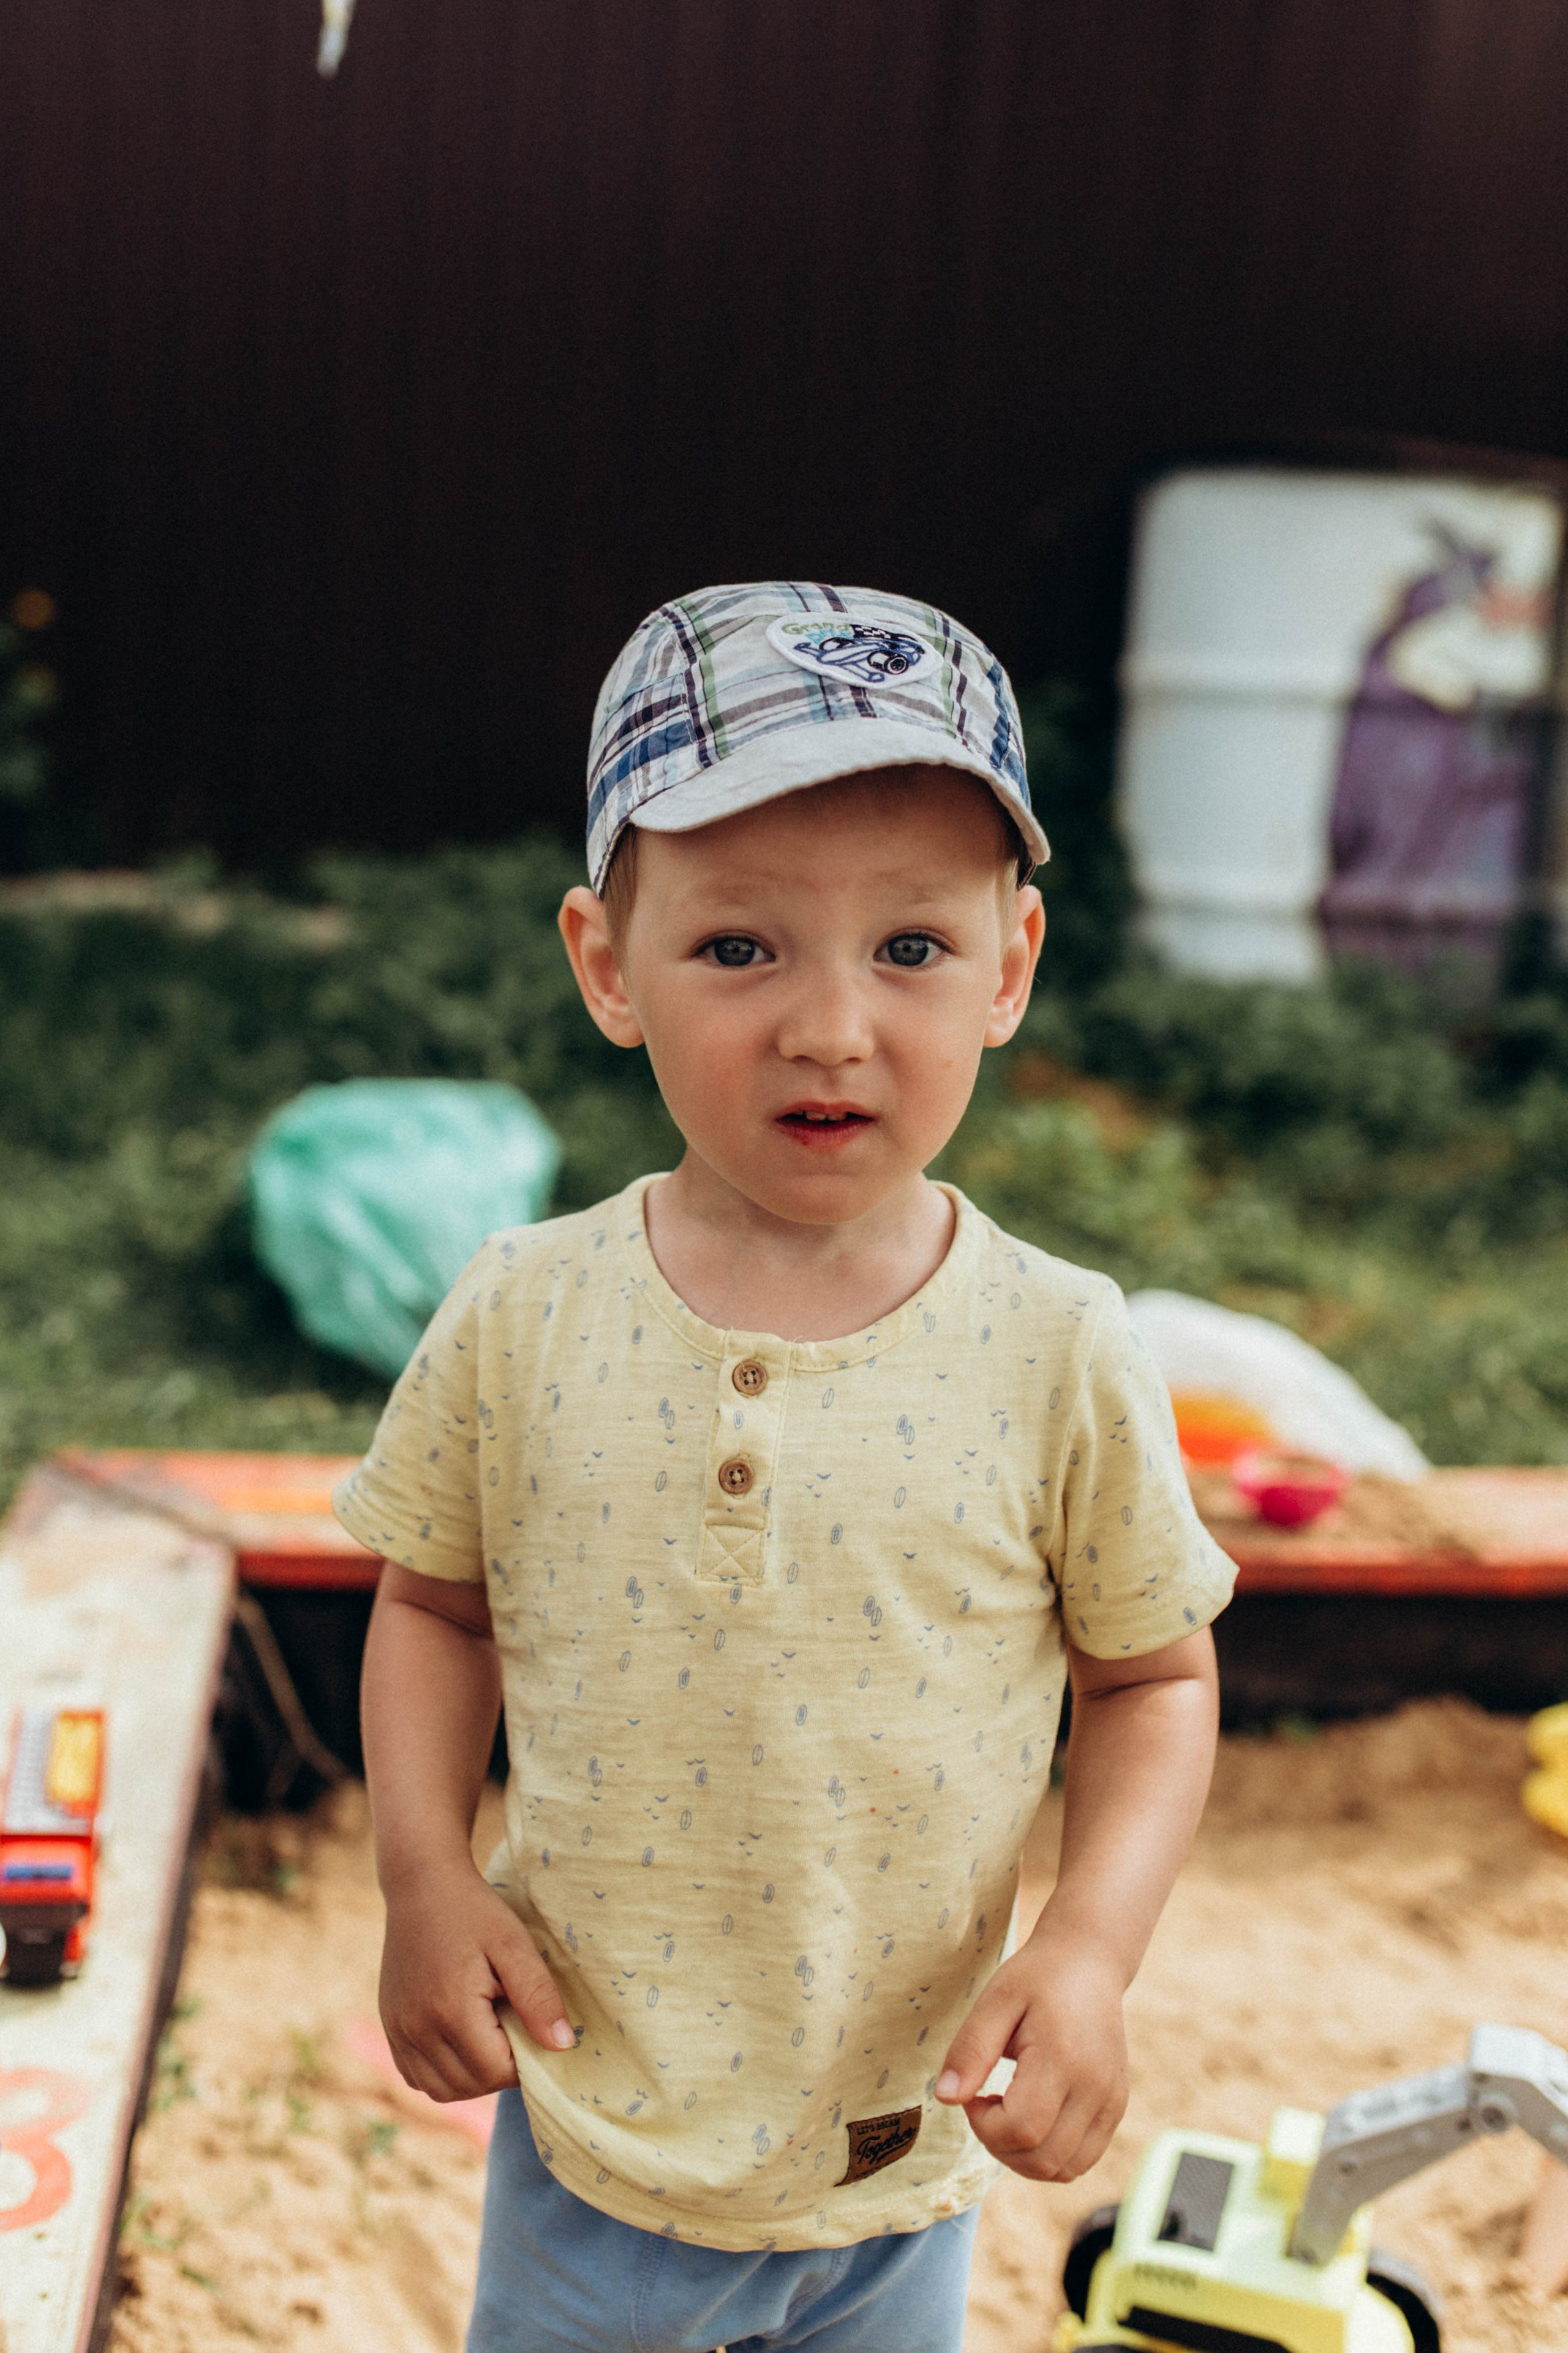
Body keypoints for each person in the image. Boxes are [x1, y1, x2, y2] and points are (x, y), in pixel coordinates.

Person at [339, 583, 1236, 2353]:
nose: (832, 1026)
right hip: (594, 2125)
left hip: (897, 2144)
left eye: (909, 947)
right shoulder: (524, 1313)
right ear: (608, 962)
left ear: (1012, 967)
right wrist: (421, 1874)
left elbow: (1156, 1674)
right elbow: (436, 1610)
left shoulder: (1058, 1348)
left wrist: (1090, 1947)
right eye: (742, 947)